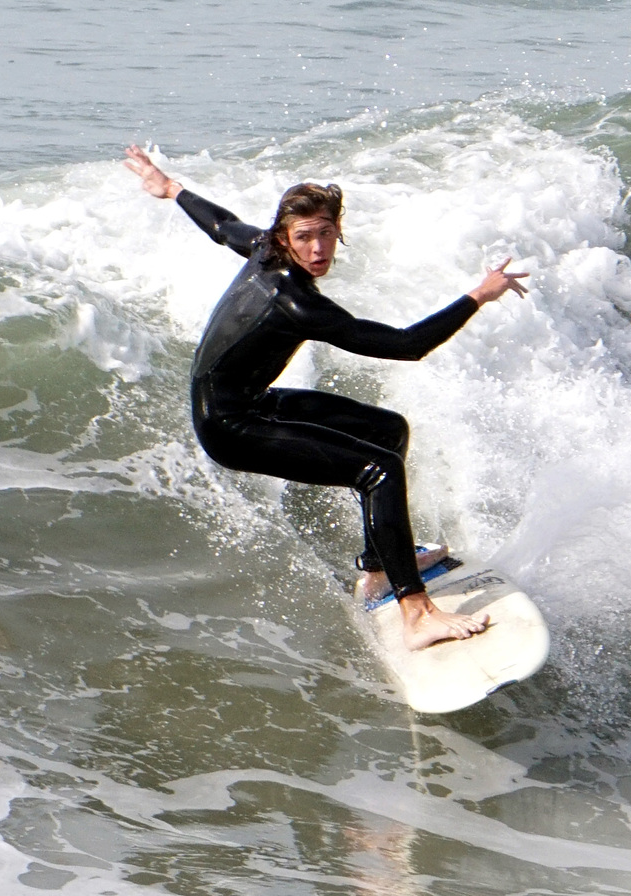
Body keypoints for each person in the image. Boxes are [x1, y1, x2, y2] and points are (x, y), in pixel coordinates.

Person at [123, 146, 529, 650]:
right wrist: (478, 295)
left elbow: (221, 225)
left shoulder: (262, 250)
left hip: (249, 401)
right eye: (305, 238)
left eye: (326, 234)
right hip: (230, 428)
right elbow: (407, 345)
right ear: (284, 239)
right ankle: (416, 613)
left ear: (338, 230)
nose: (317, 249)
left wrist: (171, 188)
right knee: (378, 468)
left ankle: (379, 570)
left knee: (388, 430)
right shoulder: (298, 303)